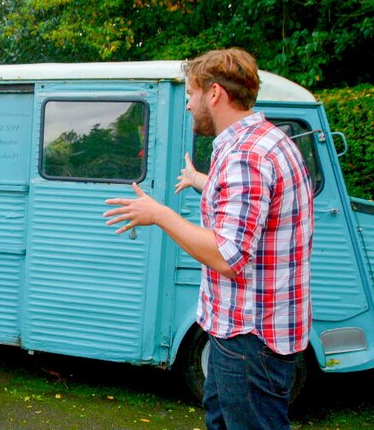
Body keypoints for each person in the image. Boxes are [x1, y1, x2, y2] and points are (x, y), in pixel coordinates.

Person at [103, 48, 314, 429]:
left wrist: (160, 215)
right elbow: (253, 207)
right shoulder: (270, 140)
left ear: (214, 94)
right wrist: (201, 180)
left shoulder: (245, 157)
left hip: (249, 338)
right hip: (251, 331)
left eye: (190, 95)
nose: (187, 106)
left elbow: (227, 257)